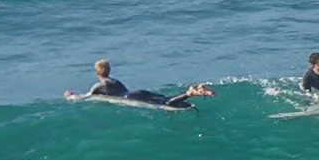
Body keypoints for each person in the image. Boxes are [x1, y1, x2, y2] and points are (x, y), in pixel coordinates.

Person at [67, 61, 214, 108]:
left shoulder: (99, 86)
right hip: (139, 92)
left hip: (132, 97)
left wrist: (71, 96)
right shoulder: (115, 81)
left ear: (97, 73)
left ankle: (190, 93)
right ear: (109, 70)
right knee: (164, 98)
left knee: (165, 104)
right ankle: (198, 91)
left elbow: (86, 97)